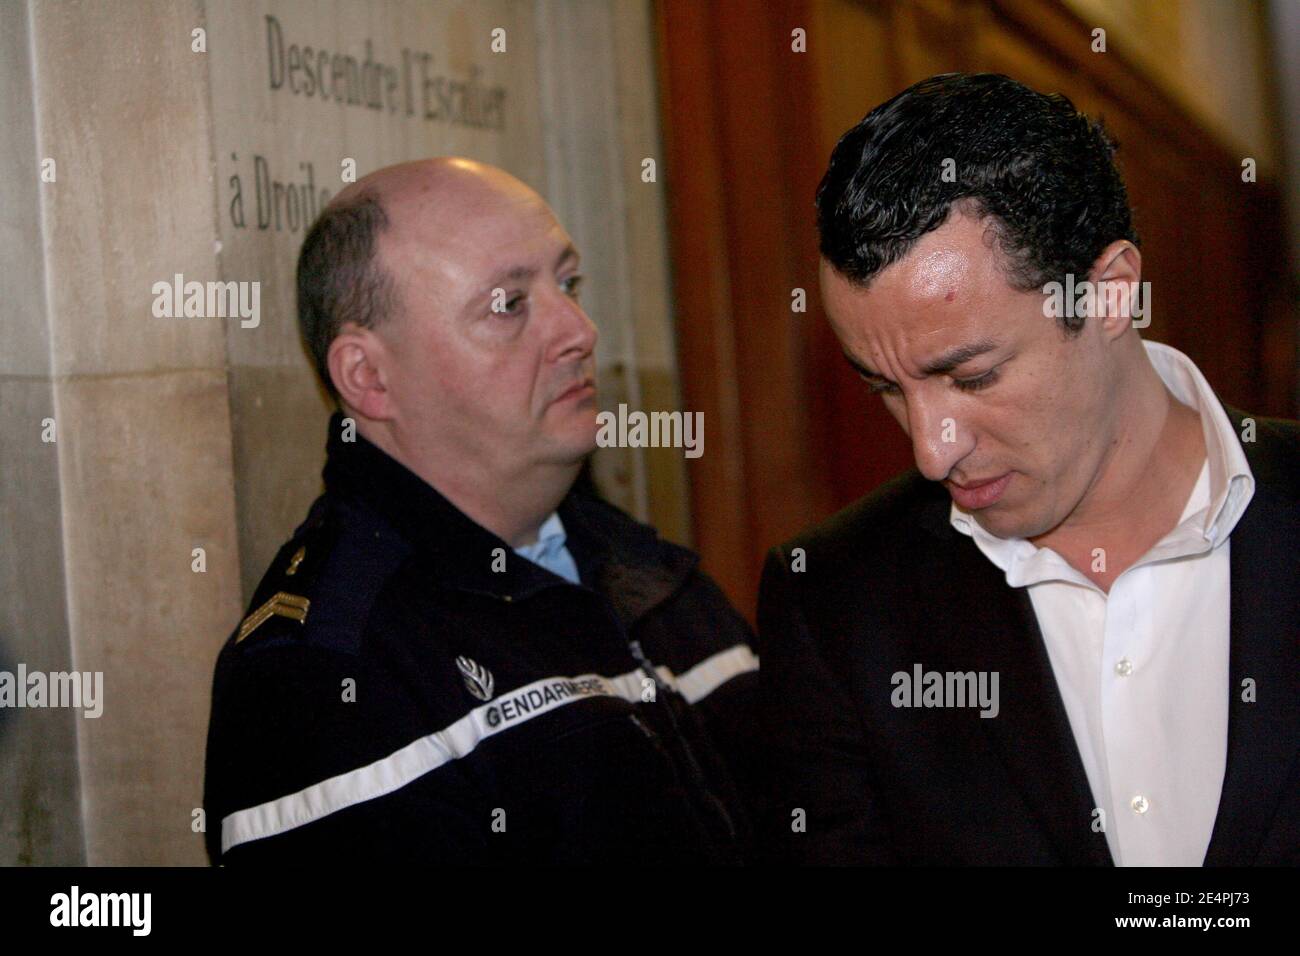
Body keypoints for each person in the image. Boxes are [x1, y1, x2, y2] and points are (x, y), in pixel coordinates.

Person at [759, 73, 1299, 866]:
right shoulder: (835, 605)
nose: (931, 450)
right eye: (885, 388)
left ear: (1110, 294)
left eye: (973, 377)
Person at [203, 158, 758, 864]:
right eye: (508, 304)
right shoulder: (322, 678)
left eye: (568, 283)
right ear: (369, 377)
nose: (579, 330)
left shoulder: (646, 567)